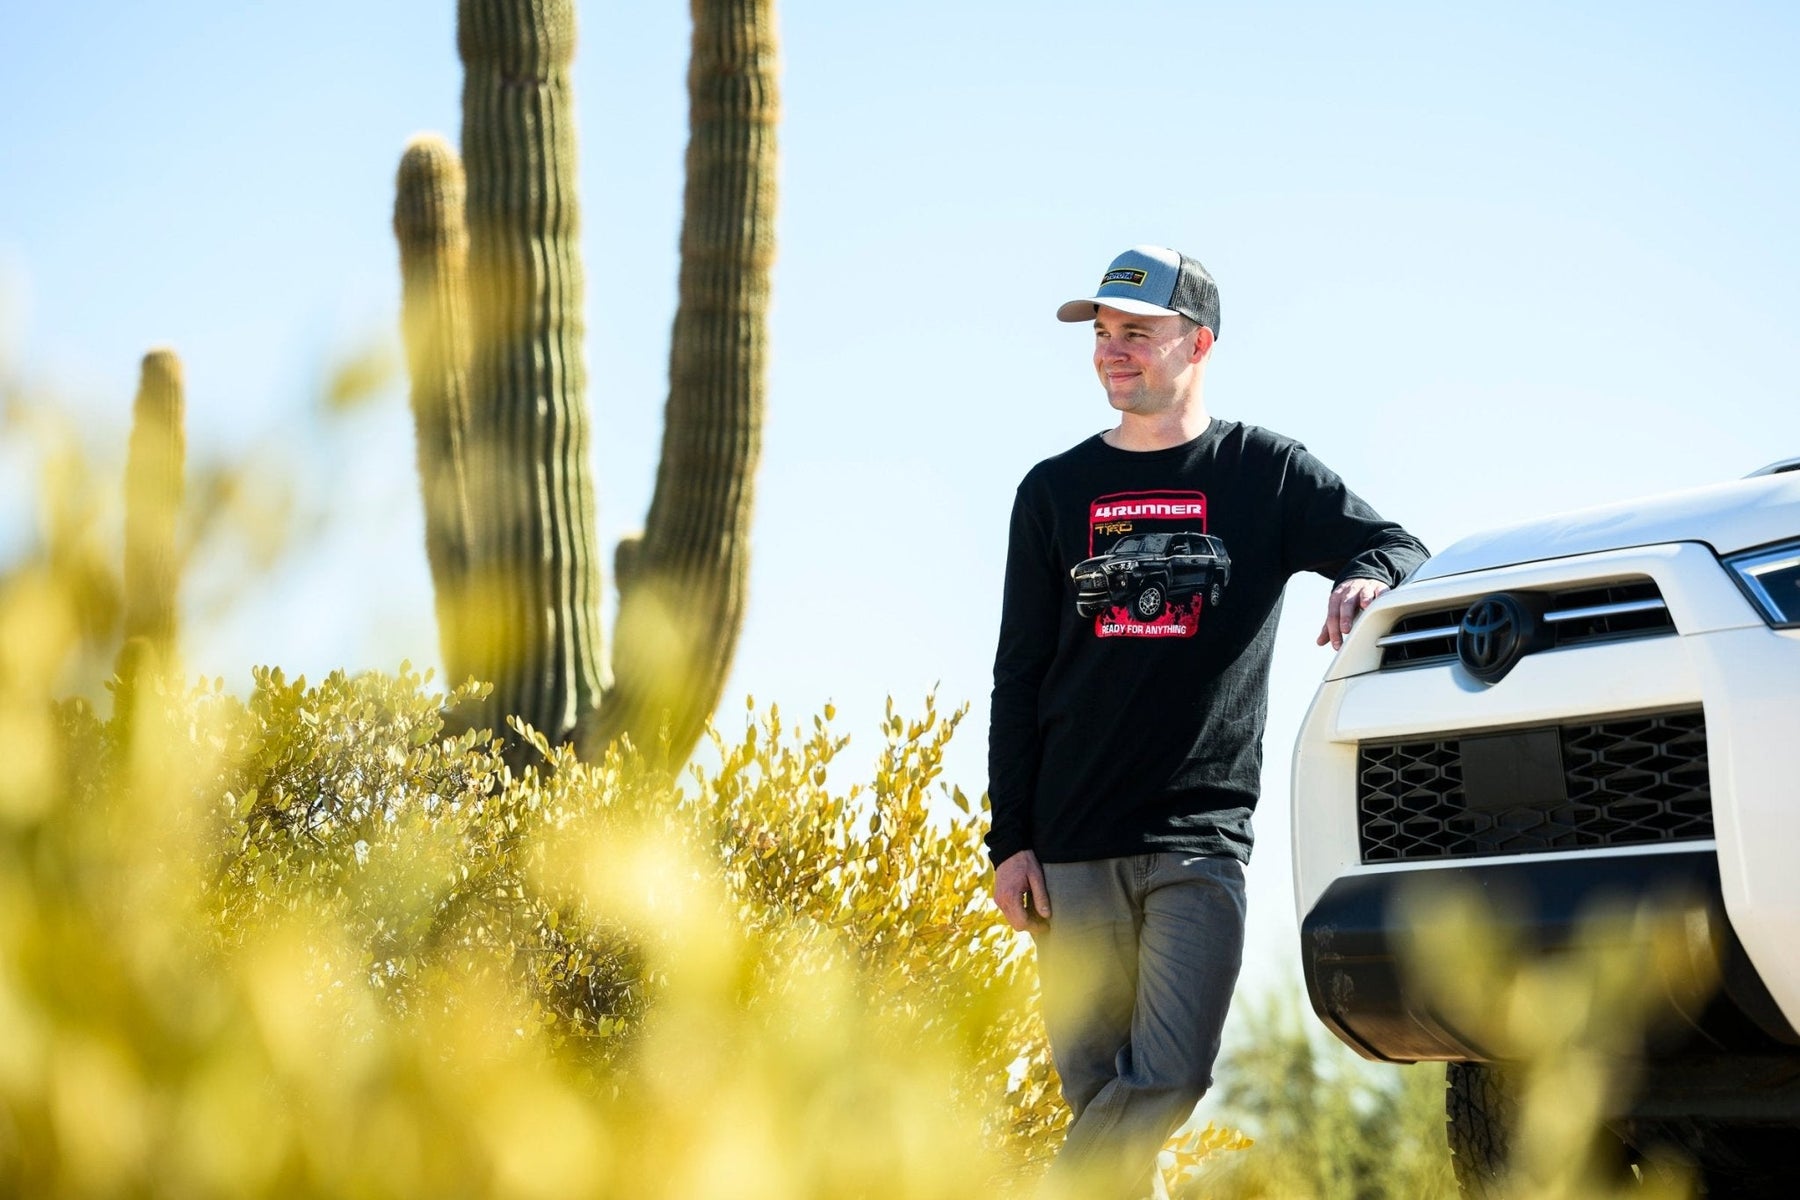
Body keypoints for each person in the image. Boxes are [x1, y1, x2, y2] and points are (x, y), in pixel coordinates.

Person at [986, 245, 1428, 1199]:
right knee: (1100, 1101)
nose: (1112, 351)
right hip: (1068, 845)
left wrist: (1367, 577)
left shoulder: (1264, 473)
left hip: (1198, 839)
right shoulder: (1052, 491)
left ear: (1198, 344)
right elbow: (1017, 676)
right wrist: (1009, 839)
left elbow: (1396, 543)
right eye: (1103, 334)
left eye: (1135, 333)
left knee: (1170, 1077)